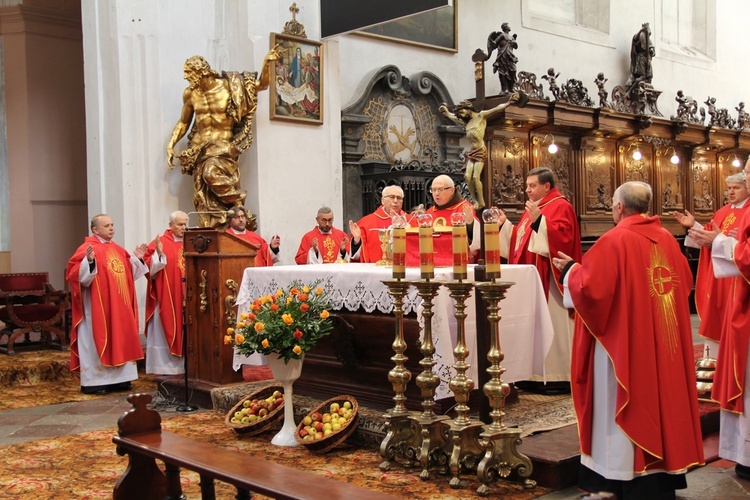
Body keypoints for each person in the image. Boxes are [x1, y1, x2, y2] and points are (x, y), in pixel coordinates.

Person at [552, 181, 704, 498]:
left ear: (620, 207)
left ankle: (617, 478)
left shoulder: (614, 240)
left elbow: (591, 290)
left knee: (618, 404)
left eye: (612, 203)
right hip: (664, 345)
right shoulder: (666, 238)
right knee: (659, 403)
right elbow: (684, 284)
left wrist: (569, 271)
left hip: (624, 348)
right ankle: (660, 476)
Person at [166, 47, 282, 228]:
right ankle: (218, 226)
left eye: (189, 73)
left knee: (210, 173)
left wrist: (267, 63)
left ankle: (238, 206)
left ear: (202, 71)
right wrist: (171, 144)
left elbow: (260, 85)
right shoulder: (190, 94)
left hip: (224, 148)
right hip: (199, 151)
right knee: (202, 199)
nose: (186, 78)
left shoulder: (230, 86)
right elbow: (183, 122)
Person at [689, 159, 750, 481]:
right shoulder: (726, 212)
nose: (743, 182)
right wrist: (702, 234)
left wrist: (721, 243)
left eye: (747, 176)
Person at [496, 167, 582, 384]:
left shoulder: (560, 205)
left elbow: (563, 238)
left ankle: (557, 374)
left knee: (553, 323)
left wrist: (539, 222)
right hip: (533, 279)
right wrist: (505, 226)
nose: (527, 190)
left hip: (550, 281)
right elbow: (519, 241)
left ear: (547, 186)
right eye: (527, 185)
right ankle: (533, 374)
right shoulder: (534, 209)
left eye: (532, 185)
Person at [65, 214, 149, 394]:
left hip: (120, 306)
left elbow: (127, 274)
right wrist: (89, 262)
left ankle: (122, 380)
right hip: (98, 308)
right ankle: (97, 382)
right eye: (106, 226)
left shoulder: (118, 250)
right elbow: (75, 276)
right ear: (95, 230)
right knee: (97, 340)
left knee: (122, 338)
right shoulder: (87, 249)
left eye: (112, 224)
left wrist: (137, 260)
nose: (111, 228)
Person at [673, 172, 749, 353]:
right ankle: (716, 358)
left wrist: (729, 241)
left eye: (736, 188)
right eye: (729, 188)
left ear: (747, 187)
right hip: (719, 279)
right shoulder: (722, 212)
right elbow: (709, 239)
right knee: (717, 319)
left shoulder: (748, 212)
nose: (730, 192)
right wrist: (693, 226)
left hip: (738, 277)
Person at [439, 93, 521, 210]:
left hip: (480, 150)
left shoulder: (481, 116)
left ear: (468, 109)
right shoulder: (467, 122)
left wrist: (508, 102)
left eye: (462, 112)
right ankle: (474, 200)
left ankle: (481, 201)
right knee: (468, 176)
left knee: (475, 177)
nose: (461, 115)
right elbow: (455, 117)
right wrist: (447, 112)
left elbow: (496, 109)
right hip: (472, 152)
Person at [142, 211, 188, 375]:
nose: (183, 227)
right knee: (164, 328)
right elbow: (148, 269)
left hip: (186, 295)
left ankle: (187, 365)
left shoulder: (192, 243)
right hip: (166, 297)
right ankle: (164, 368)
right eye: (179, 224)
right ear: (170, 225)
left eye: (184, 224)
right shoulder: (159, 243)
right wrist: (159, 256)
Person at [349, 185, 415, 263]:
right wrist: (357, 241)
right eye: (391, 197)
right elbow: (355, 256)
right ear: (383, 200)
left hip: (405, 270)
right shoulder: (367, 223)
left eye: (399, 198)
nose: (395, 200)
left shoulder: (412, 221)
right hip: (377, 272)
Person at [422, 174, 481, 259]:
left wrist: (470, 224)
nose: (436, 193)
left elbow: (476, 240)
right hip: (432, 259)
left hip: (458, 260)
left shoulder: (465, 208)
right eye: (433, 190)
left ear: (452, 190)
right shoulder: (429, 213)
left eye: (440, 189)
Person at [486, 22, 518, 94]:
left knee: (513, 70)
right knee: (503, 72)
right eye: (508, 26)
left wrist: (515, 43)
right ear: (505, 27)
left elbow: (516, 47)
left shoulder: (512, 37)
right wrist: (491, 41)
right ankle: (505, 89)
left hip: (510, 56)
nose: (510, 27)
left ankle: (511, 88)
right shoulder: (502, 36)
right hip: (503, 55)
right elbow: (495, 43)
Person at [625, 22, 655, 94]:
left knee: (648, 77)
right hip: (641, 59)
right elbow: (635, 39)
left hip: (646, 60)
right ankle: (629, 91)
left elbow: (651, 48)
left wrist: (652, 50)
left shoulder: (648, 40)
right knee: (642, 77)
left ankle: (642, 89)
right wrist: (642, 30)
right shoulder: (639, 37)